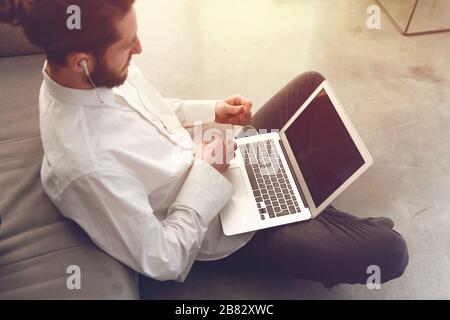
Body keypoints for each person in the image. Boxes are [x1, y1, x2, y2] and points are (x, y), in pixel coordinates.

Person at [0, 0, 408, 292]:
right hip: (219, 229)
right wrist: (206, 174)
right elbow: (162, 259)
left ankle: (297, 199)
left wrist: (212, 110)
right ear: (82, 61)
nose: (138, 49)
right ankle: (303, 209)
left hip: (213, 156)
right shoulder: (85, 165)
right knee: (388, 251)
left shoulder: (87, 74)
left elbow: (154, 110)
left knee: (310, 85)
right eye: (128, 45)